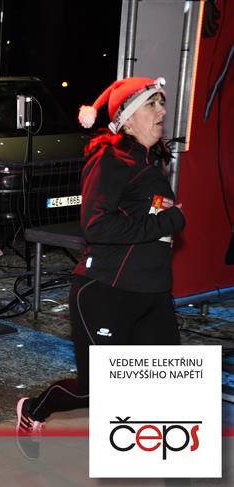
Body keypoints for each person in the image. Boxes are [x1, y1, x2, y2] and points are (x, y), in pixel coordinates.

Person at [15, 76, 186, 459]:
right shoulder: (110, 158)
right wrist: (168, 221)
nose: (162, 111)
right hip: (107, 292)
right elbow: (96, 226)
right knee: (95, 390)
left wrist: (164, 222)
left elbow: (146, 218)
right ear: (127, 118)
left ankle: (175, 477)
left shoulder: (152, 160)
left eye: (162, 103)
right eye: (152, 104)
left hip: (154, 294)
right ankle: (33, 409)